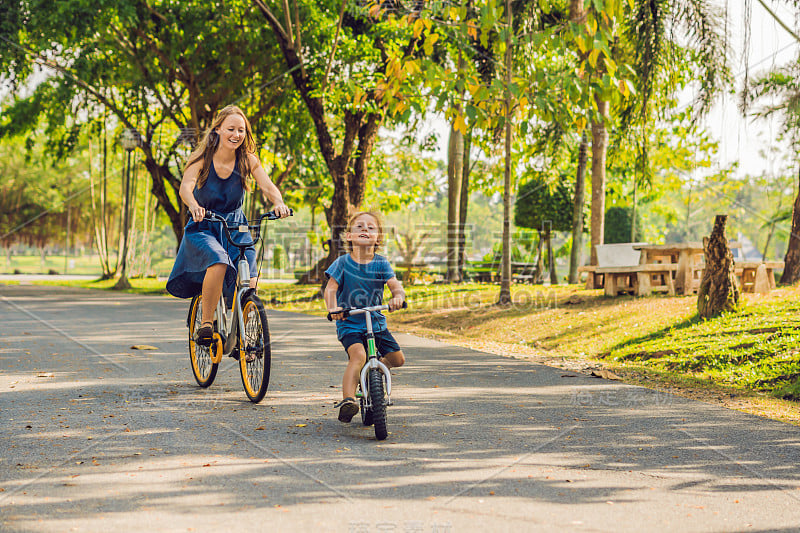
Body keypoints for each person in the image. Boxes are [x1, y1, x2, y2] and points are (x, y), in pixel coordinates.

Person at [166, 105, 291, 344]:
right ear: (218, 131)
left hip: (236, 227)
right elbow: (185, 187)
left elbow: (267, 185)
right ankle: (206, 324)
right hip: (205, 226)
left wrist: (278, 202)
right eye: (231, 129)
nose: (236, 134)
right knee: (219, 262)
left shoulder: (247, 160)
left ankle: (243, 330)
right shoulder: (202, 159)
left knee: (250, 282)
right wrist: (193, 205)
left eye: (241, 130)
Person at [324, 211, 406, 422]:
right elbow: (330, 289)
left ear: (378, 238)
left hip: (376, 323)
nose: (365, 229)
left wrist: (397, 296)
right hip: (350, 323)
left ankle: (374, 372)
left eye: (371, 227)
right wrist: (333, 309)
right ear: (349, 236)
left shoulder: (381, 264)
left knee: (398, 359)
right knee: (358, 356)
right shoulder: (342, 263)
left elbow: (396, 287)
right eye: (359, 226)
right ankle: (348, 400)